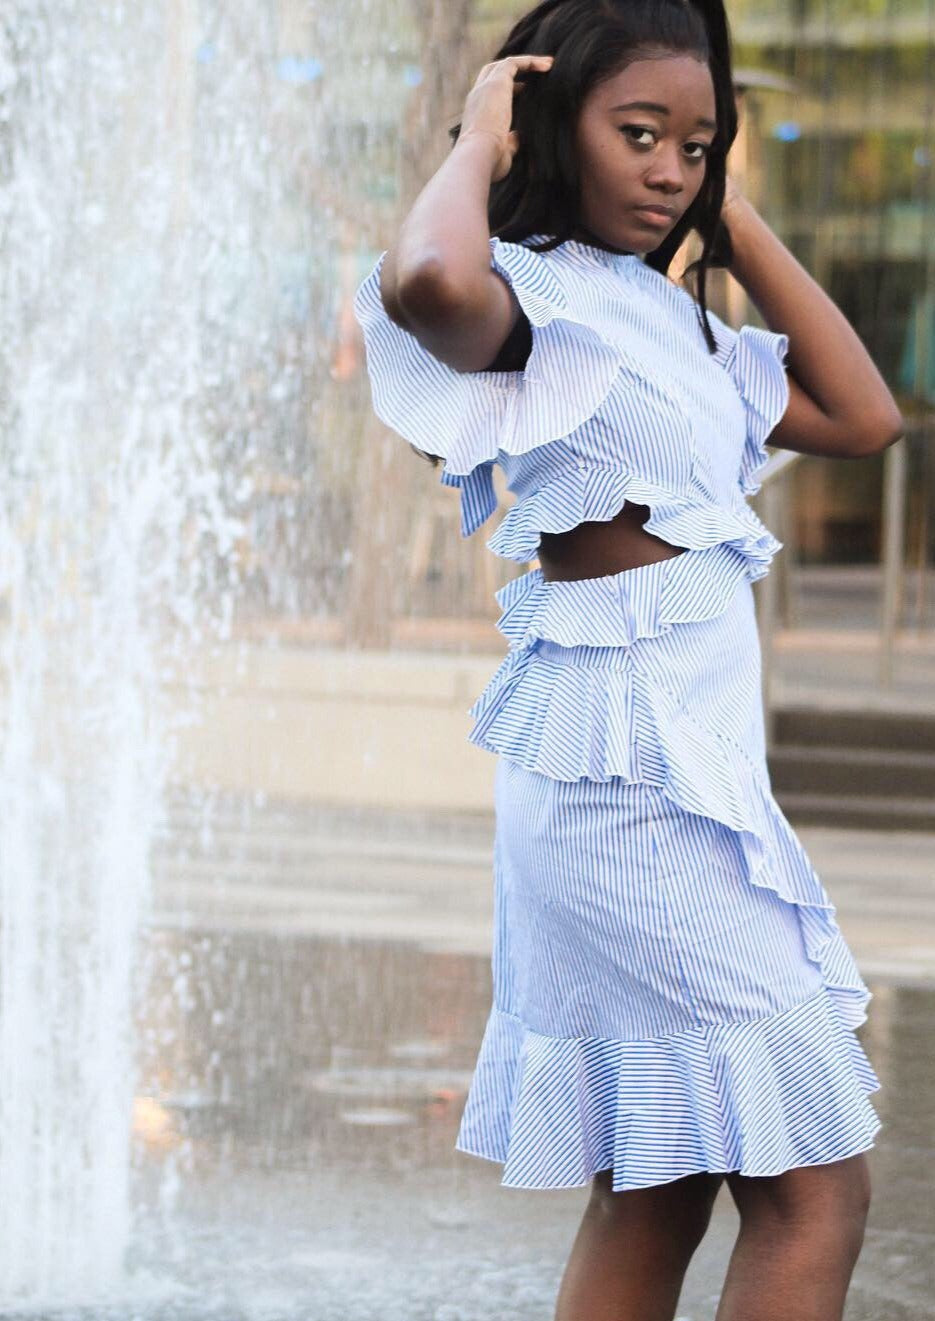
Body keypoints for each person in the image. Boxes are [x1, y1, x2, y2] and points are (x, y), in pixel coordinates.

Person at [353, 1, 905, 1317]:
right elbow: (430, 283)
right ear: (555, 126)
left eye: (697, 144)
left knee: (657, 1180)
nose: (668, 167)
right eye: (640, 133)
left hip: (673, 778)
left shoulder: (664, 319)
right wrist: (482, 137)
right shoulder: (529, 294)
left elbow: (863, 412)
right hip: (632, 790)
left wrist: (729, 218)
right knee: (813, 1183)